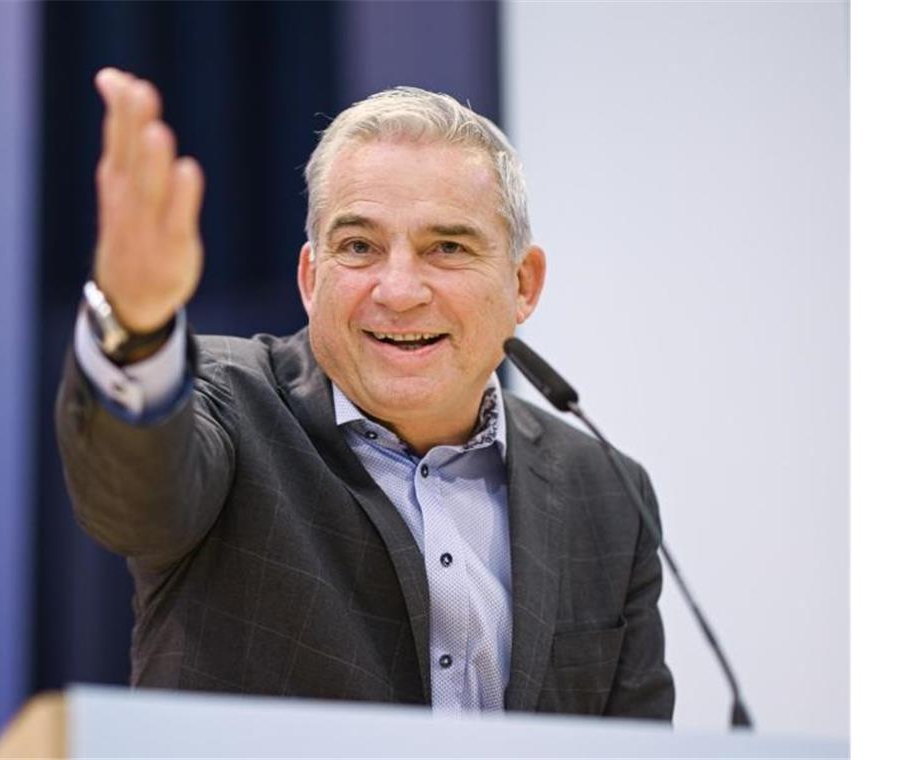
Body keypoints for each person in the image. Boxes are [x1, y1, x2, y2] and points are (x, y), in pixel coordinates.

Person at [56, 67, 674, 718]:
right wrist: (136, 325)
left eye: (447, 248)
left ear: (523, 283)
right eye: (359, 246)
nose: (399, 291)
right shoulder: (222, 404)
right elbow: (131, 500)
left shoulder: (606, 493)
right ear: (310, 277)